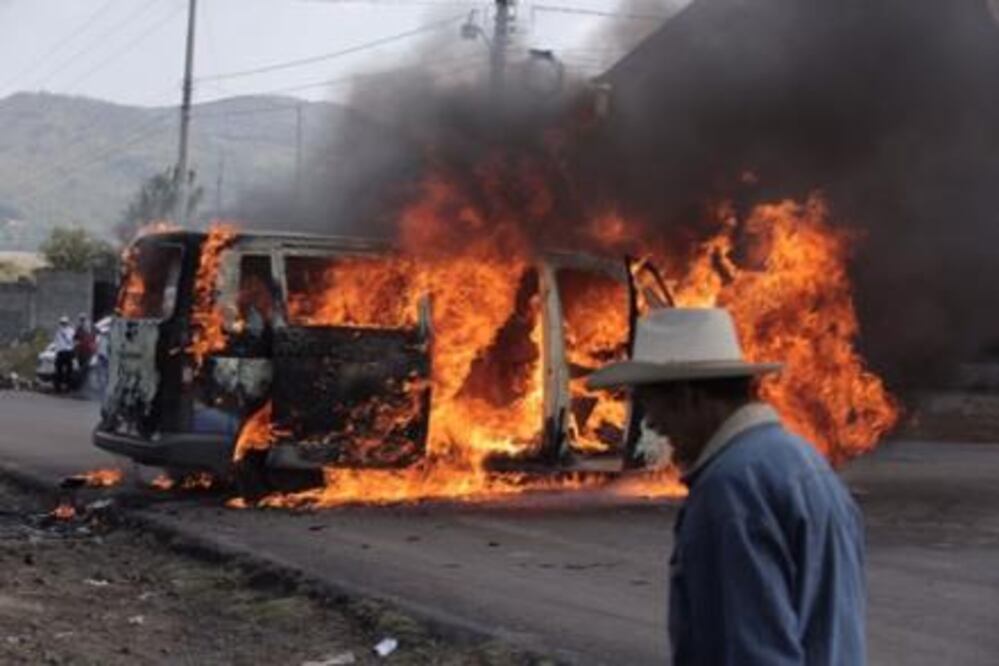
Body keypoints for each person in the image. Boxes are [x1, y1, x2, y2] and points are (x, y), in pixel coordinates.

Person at [588, 308, 865, 665]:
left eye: (652, 405)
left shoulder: (730, 490)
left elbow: (754, 652)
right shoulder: (806, 465)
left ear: (689, 397)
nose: (653, 424)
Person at [52, 315, 76, 393]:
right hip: (61, 352)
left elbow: (71, 340)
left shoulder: (70, 331)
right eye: (62, 323)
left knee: (69, 371)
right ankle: (58, 388)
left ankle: (67, 388)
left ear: (67, 323)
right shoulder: (58, 331)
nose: (63, 324)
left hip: (67, 352)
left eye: (64, 323)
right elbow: (57, 342)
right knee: (58, 371)